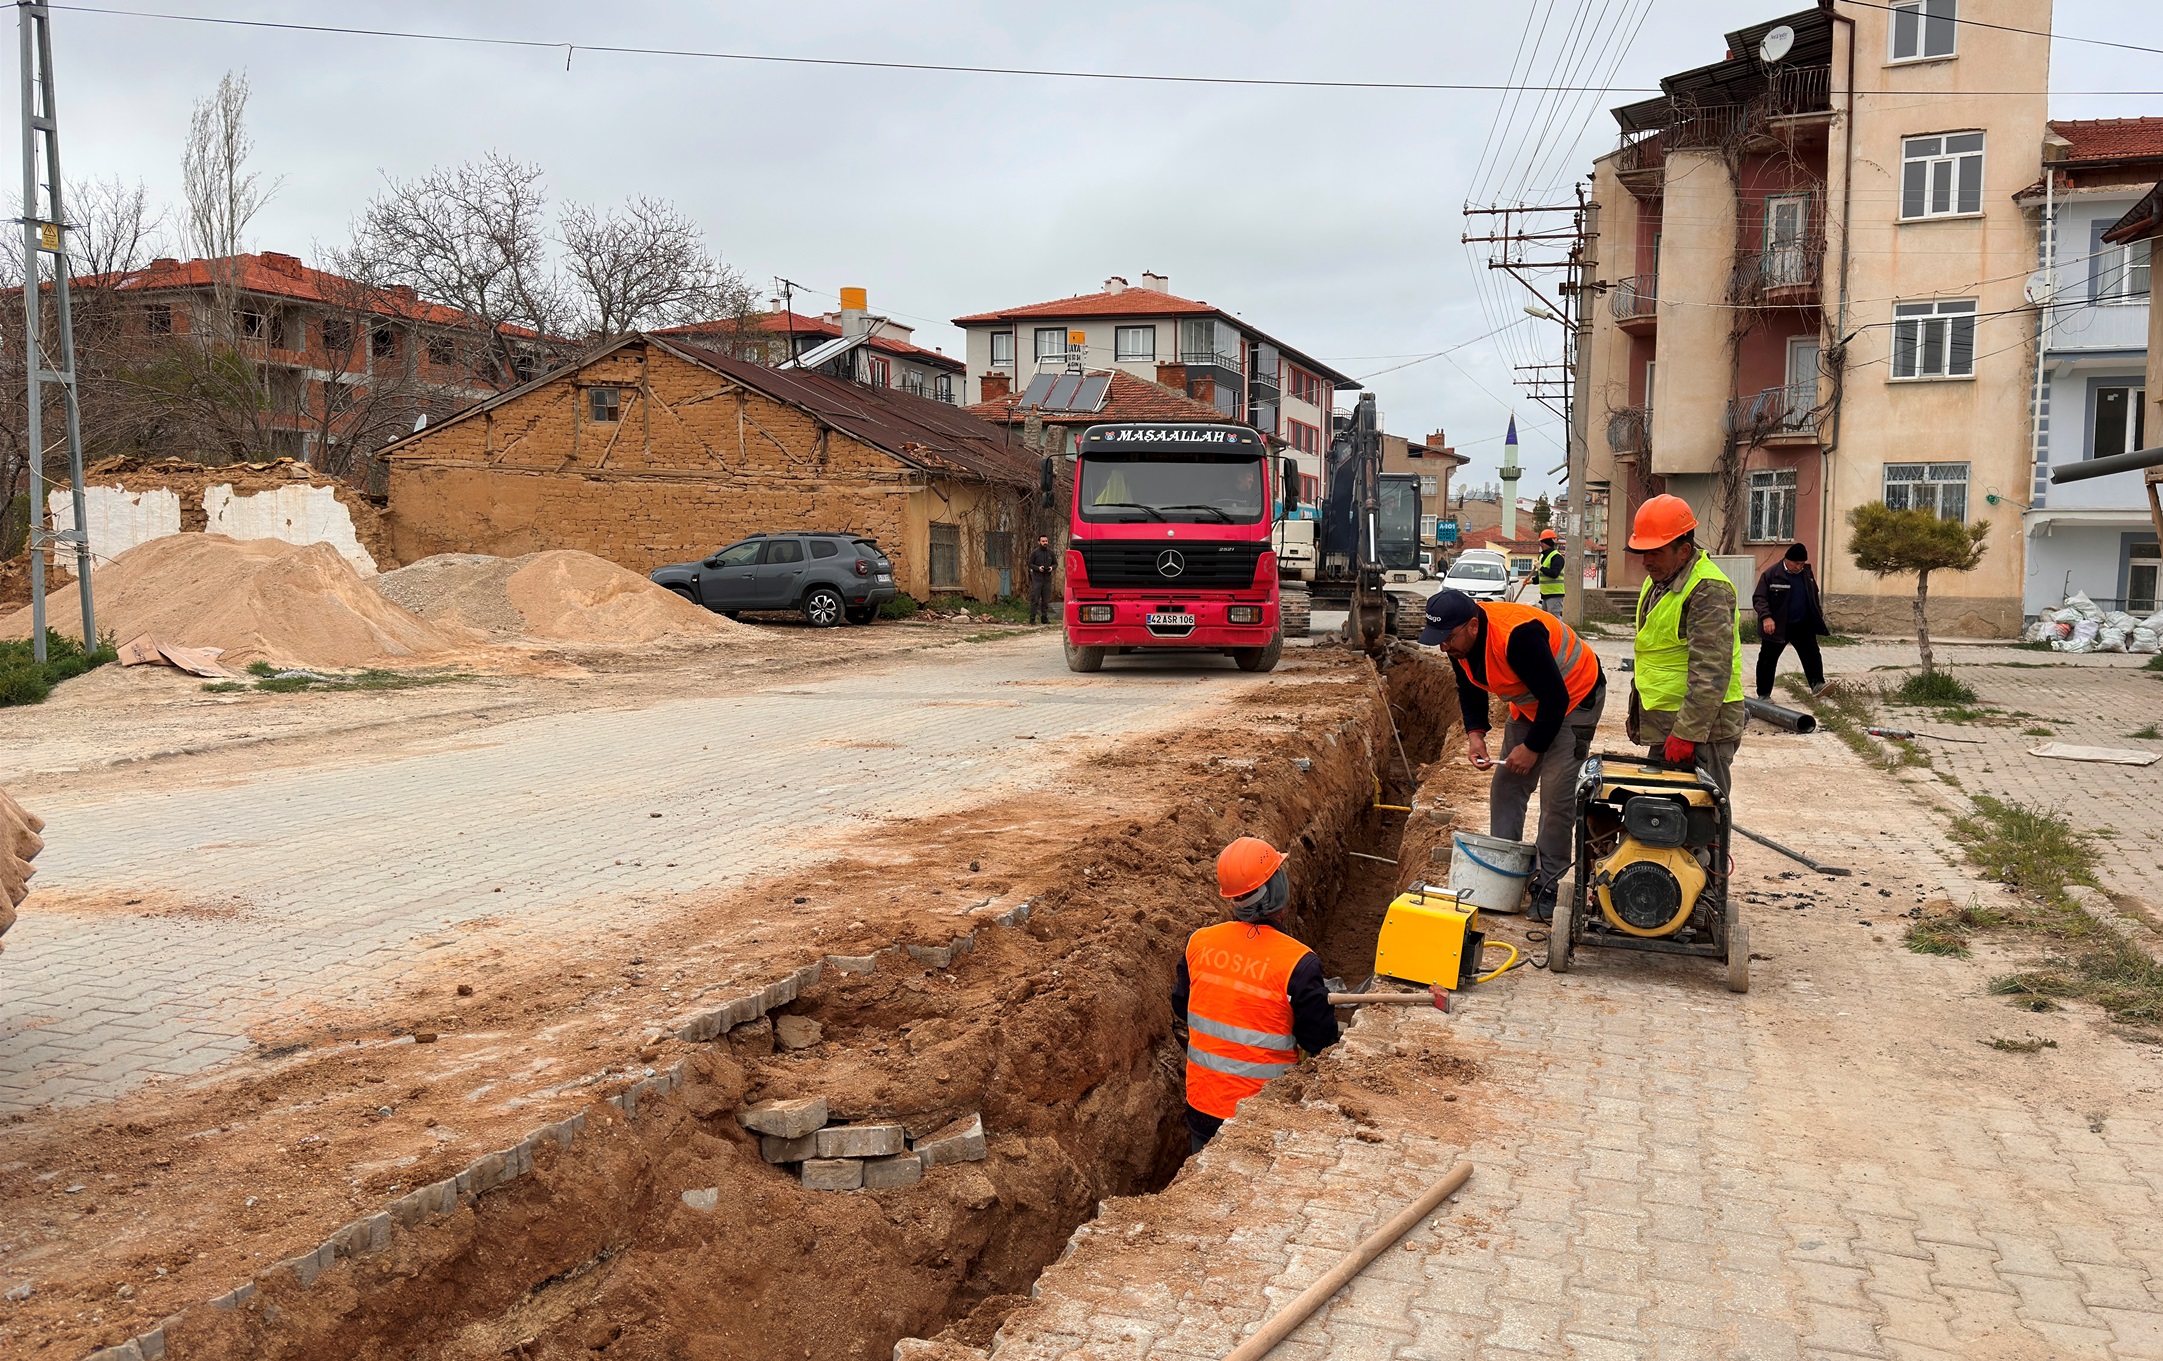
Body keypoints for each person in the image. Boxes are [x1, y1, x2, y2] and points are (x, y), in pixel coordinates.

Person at [1420, 588, 1606, 921]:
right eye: (1439, 640)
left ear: (1473, 626)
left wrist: (1533, 748)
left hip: (1576, 696)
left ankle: (1548, 884)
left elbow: (1556, 699)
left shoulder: (1519, 637)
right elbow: (1469, 687)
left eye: (1447, 638)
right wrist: (1475, 735)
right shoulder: (1457, 641)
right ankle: (1505, 871)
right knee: (1506, 785)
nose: (1443, 647)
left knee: (1556, 796)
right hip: (1533, 703)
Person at [1170, 837, 1340, 1153]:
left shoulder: (1199, 943)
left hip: (1203, 1104)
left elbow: (1183, 1006)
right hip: (1262, 1112)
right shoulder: (1298, 963)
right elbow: (1320, 1040)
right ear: (1278, 890)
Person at [1625, 495, 1746, 797]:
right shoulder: (1659, 580)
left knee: (1702, 812)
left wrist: (1687, 734)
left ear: (1684, 550)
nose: (1646, 561)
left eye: (1655, 552)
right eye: (1642, 552)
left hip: (1703, 730)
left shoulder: (1708, 589)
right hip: (1671, 724)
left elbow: (1711, 671)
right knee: (1663, 814)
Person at [1752, 543, 1832, 700]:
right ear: (1787, 559)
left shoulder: (1806, 574)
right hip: (1777, 626)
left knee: (1812, 655)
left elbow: (1813, 595)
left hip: (1802, 624)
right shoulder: (1772, 574)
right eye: (1796, 563)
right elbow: (1759, 598)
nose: (1799, 567)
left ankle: (1817, 685)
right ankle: (1764, 694)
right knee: (1767, 660)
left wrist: (1817, 614)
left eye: (1802, 563)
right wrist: (1766, 617)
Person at [1027, 535, 1059, 625]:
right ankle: (1032, 618)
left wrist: (1051, 568)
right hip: (1037, 579)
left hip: (1047, 579)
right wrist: (1038, 568)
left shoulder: (1051, 552)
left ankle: (1044, 618)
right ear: (1039, 542)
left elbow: (1055, 564)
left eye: (1046, 541)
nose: (1045, 543)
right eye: (1043, 541)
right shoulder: (1035, 552)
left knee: (1045, 600)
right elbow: (1030, 564)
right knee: (1035, 599)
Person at [1536, 527, 1566, 615]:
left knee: (1555, 619)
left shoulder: (1557, 557)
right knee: (1546, 620)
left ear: (1547, 543)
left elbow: (1554, 574)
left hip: (1555, 594)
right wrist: (1531, 581)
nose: (1541, 545)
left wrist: (1541, 567)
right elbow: (1542, 576)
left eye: (1542, 542)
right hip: (1545, 595)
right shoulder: (1542, 557)